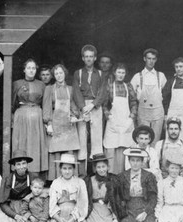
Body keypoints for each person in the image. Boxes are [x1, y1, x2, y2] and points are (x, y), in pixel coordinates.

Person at [43, 64, 80, 180]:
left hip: (69, 125)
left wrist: (75, 115)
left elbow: (73, 106)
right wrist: (48, 124)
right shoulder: (49, 89)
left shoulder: (70, 89)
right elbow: (46, 107)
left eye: (61, 73)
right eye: (56, 74)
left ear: (65, 74)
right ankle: (56, 180)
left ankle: (71, 180)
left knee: (69, 153)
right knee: (56, 153)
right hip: (56, 124)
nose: (59, 75)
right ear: (54, 76)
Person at [72, 44, 106, 173]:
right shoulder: (78, 73)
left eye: (91, 57)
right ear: (82, 58)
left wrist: (93, 104)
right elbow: (76, 91)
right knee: (82, 137)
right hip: (83, 106)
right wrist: (83, 108)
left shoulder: (101, 74)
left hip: (95, 106)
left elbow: (103, 92)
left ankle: (97, 171)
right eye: (86, 57)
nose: (88, 59)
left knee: (96, 138)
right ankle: (82, 172)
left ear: (95, 58)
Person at [12, 59, 48, 175]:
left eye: (33, 68)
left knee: (35, 145)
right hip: (21, 117)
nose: (31, 70)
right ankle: (20, 172)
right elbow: (12, 103)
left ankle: (35, 173)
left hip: (37, 118)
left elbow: (45, 104)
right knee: (21, 143)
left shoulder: (41, 85)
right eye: (29, 68)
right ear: (24, 70)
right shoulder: (17, 84)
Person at [101, 63, 137, 174]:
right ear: (114, 73)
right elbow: (104, 104)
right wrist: (109, 116)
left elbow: (133, 103)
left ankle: (124, 176)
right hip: (113, 123)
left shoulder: (129, 86)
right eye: (119, 72)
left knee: (125, 151)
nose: (121, 75)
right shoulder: (110, 86)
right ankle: (111, 175)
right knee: (111, 149)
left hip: (126, 122)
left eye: (123, 73)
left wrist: (131, 118)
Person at [130, 48, 167, 145]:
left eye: (153, 59)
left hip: (158, 112)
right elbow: (131, 96)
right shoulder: (137, 76)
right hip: (143, 111)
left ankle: (154, 159)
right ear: (144, 59)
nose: (151, 61)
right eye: (149, 58)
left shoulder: (161, 76)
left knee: (156, 140)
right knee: (143, 139)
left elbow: (166, 95)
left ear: (156, 60)